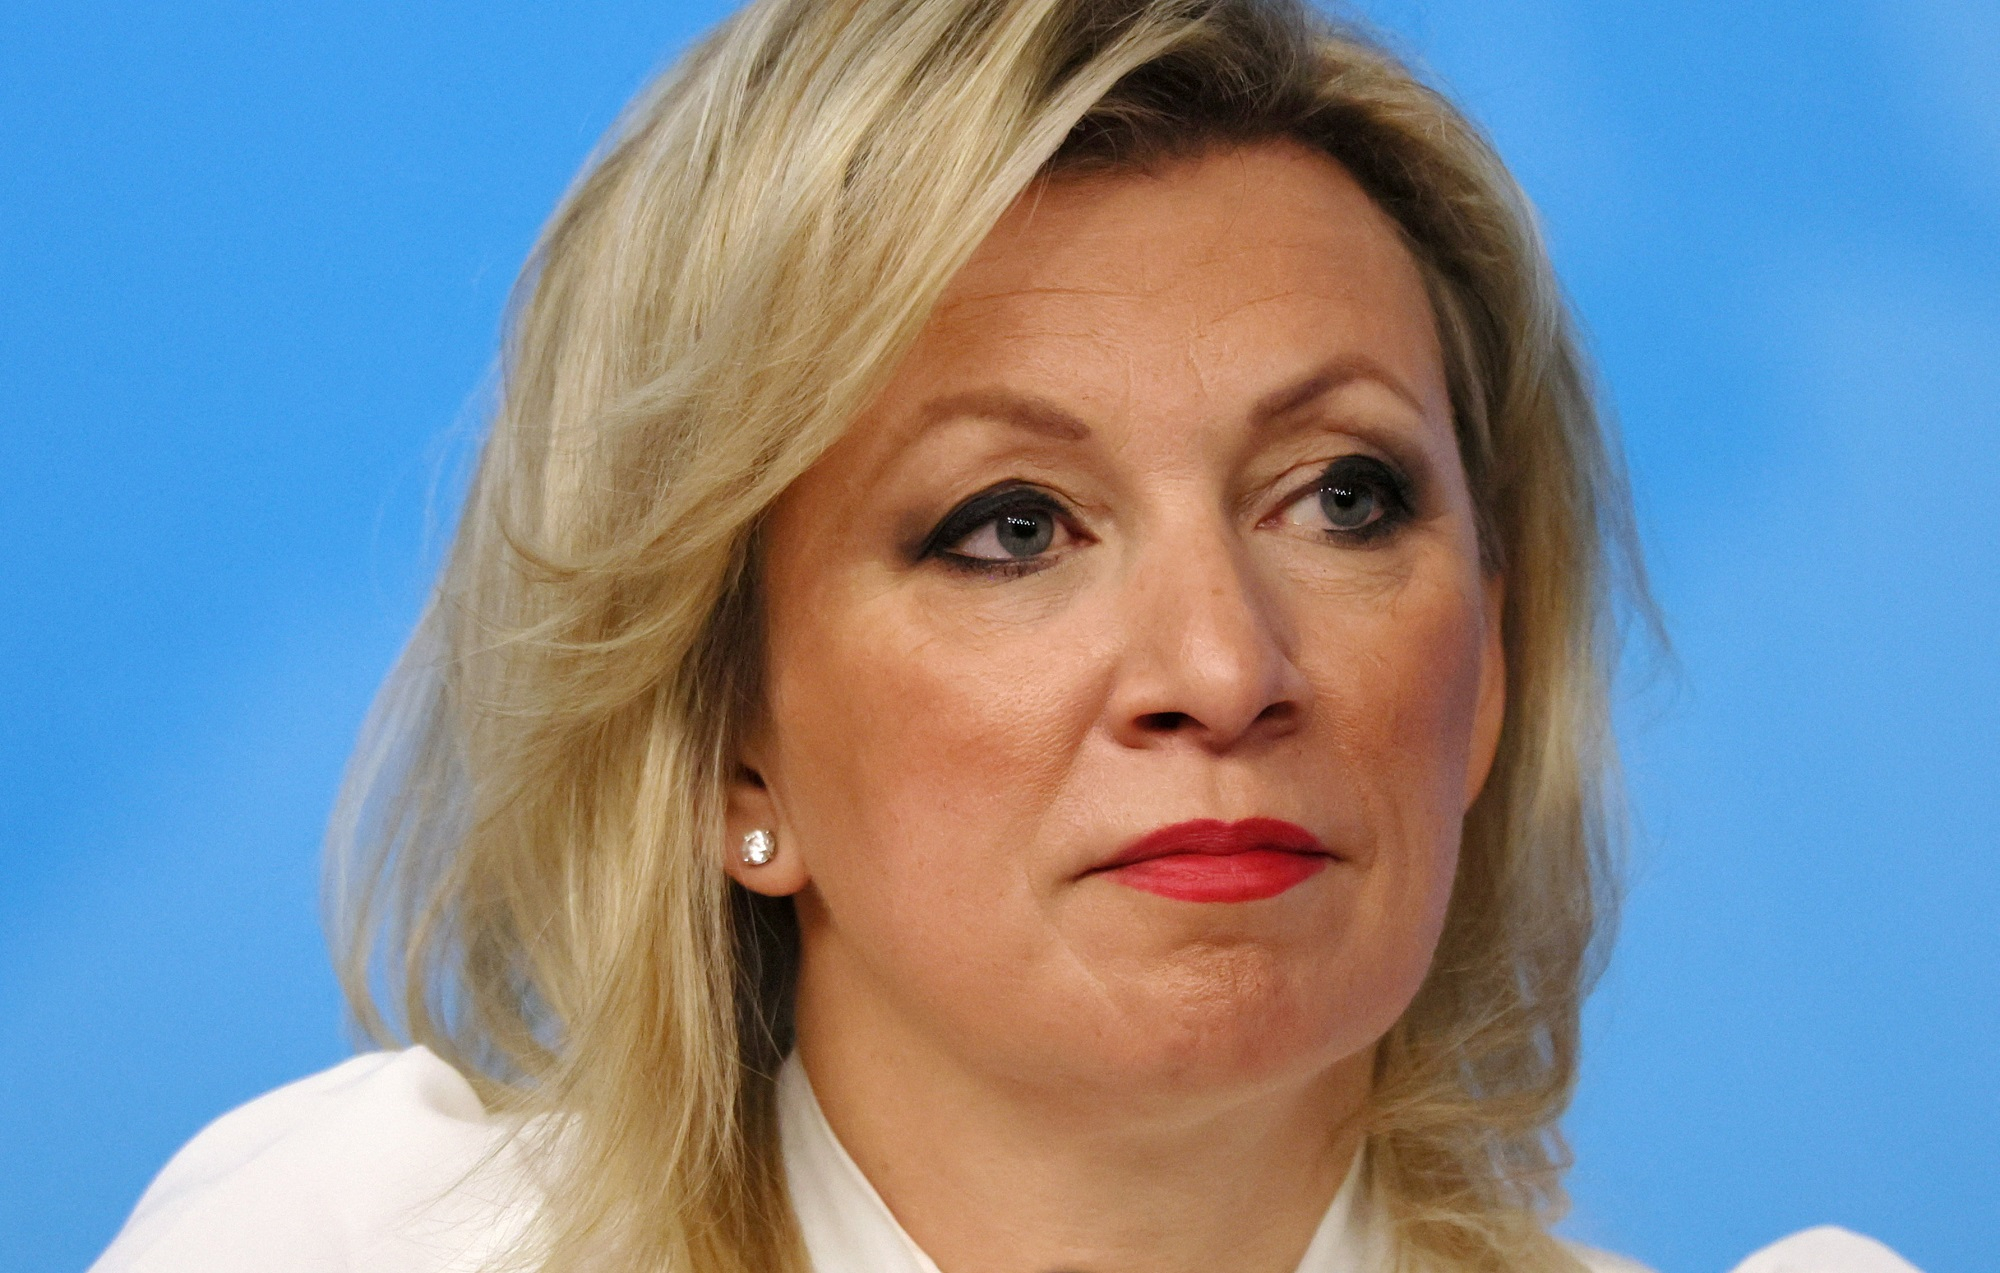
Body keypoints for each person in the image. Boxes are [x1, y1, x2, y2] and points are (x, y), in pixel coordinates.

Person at [90, 1, 1920, 1270]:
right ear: (728, 735)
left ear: (1492, 665)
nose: (1224, 669)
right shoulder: (344, 1244)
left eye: (1343, 497)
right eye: (1012, 526)